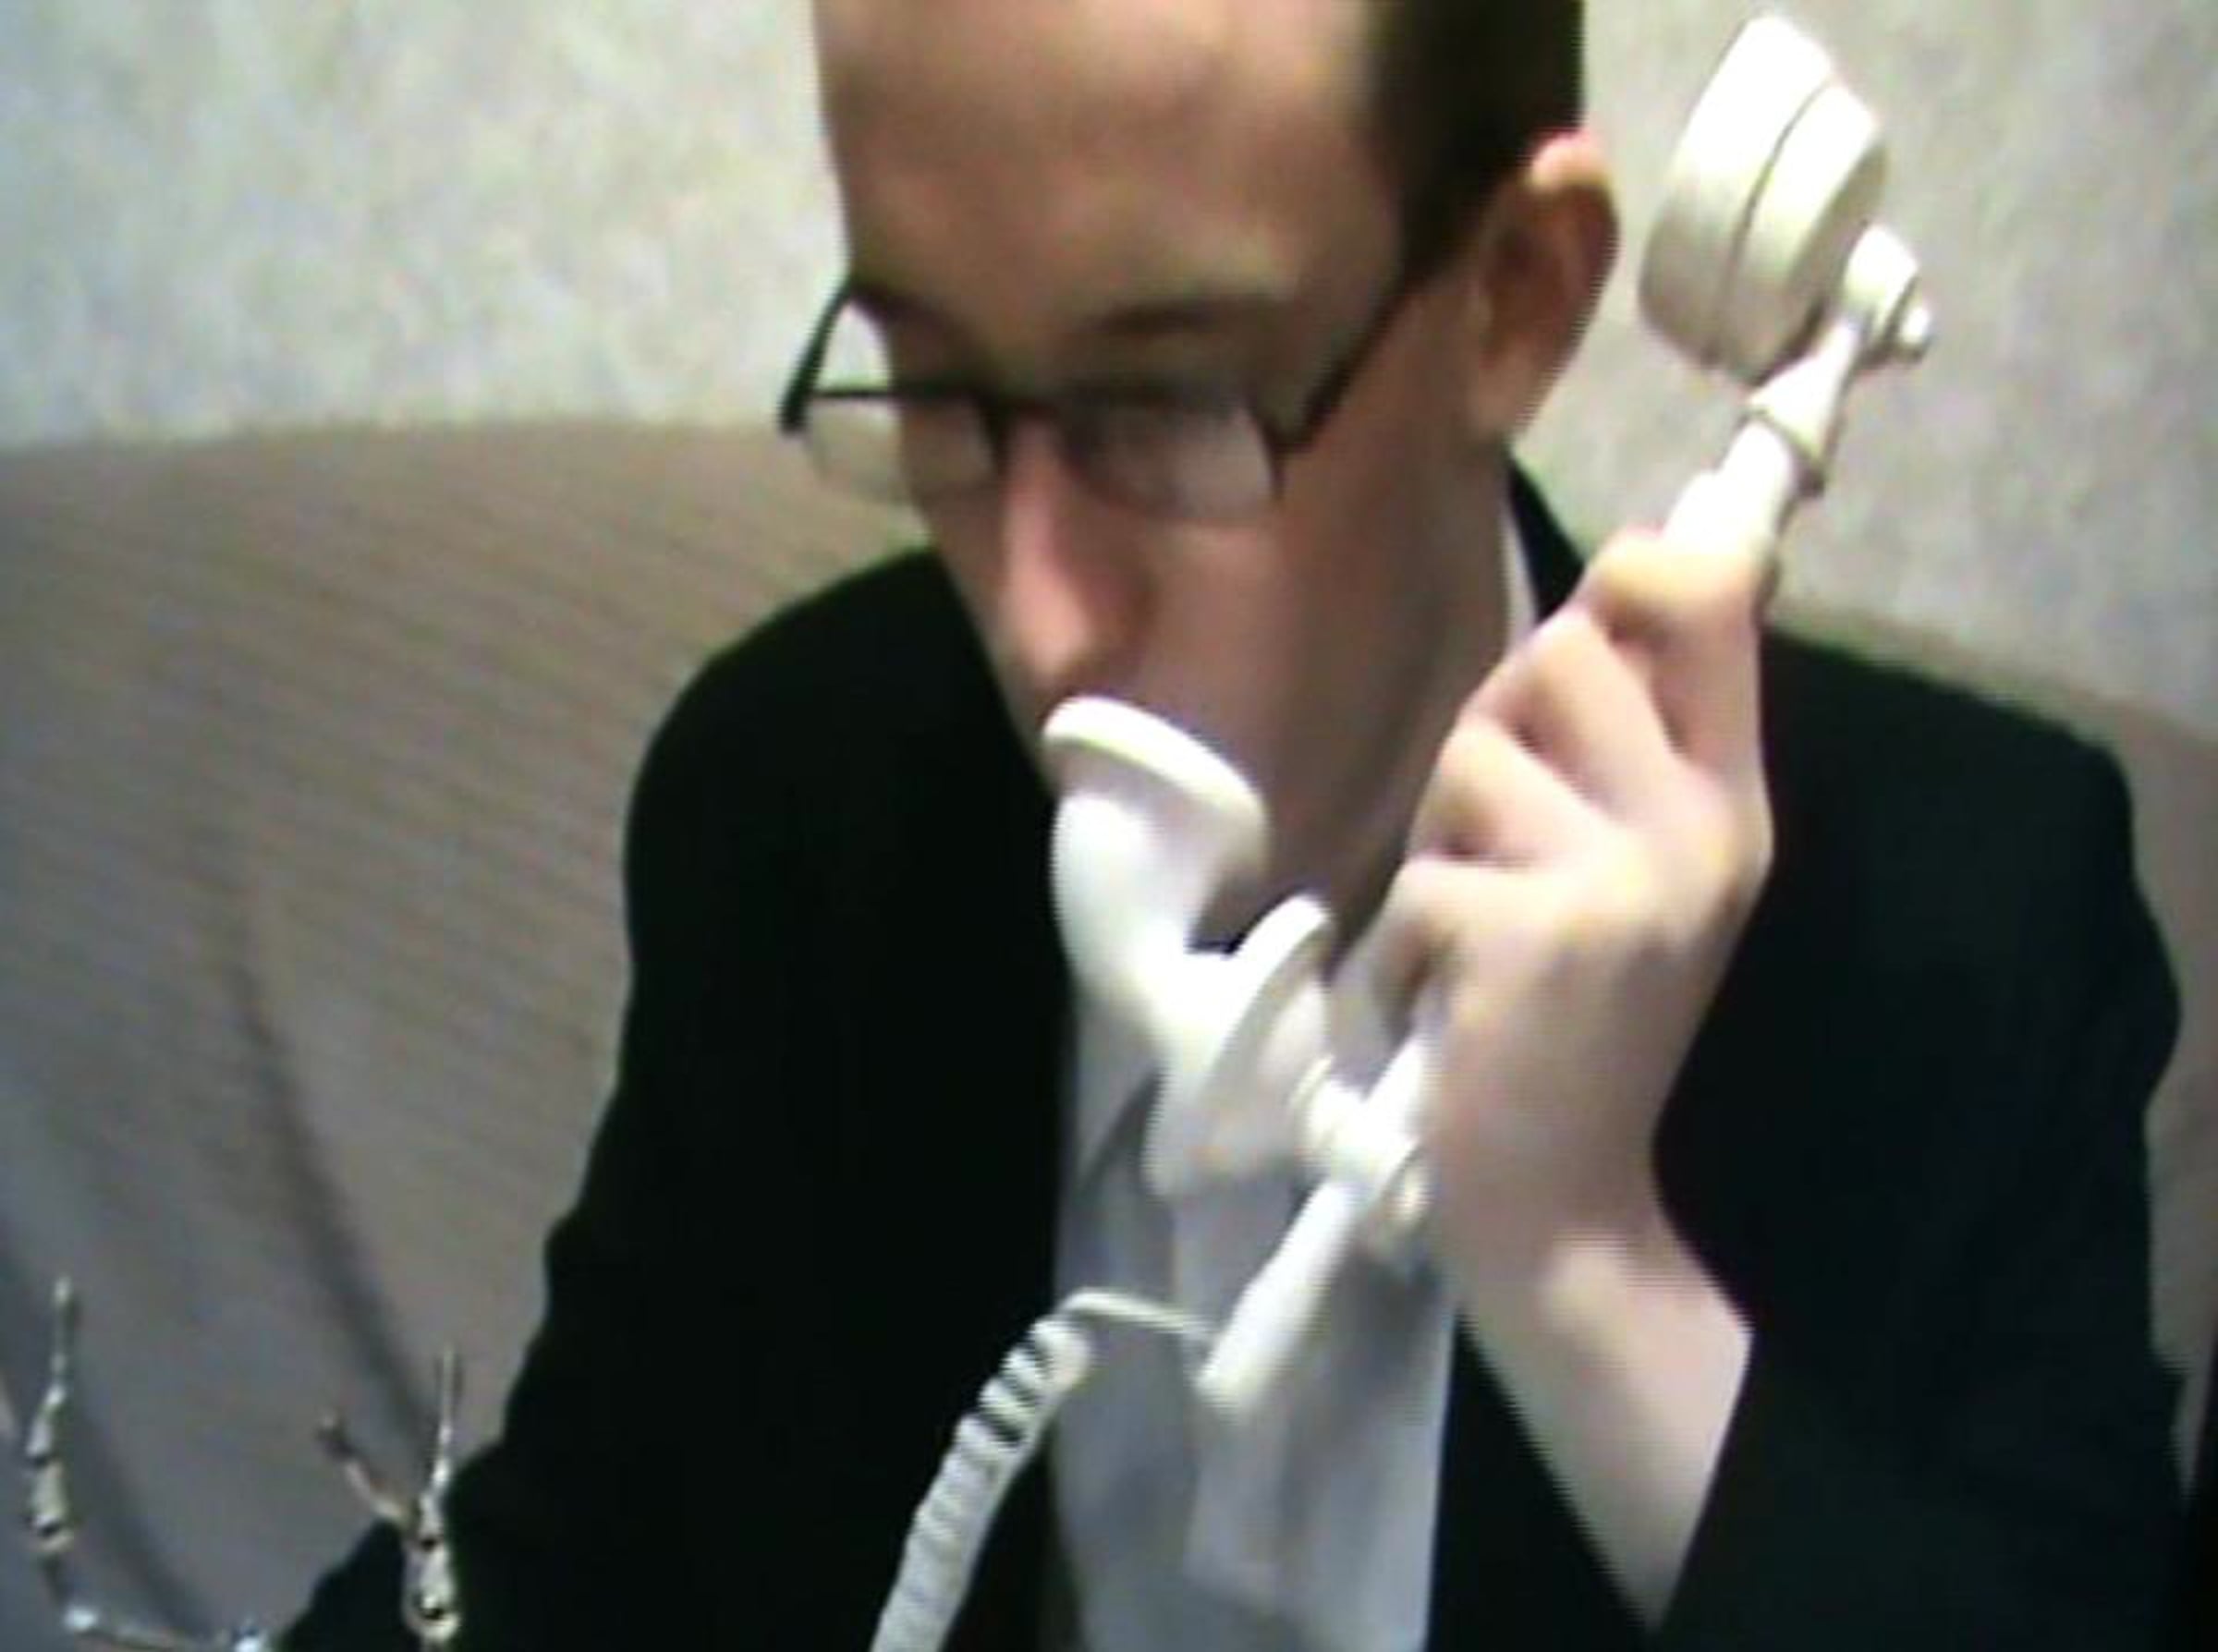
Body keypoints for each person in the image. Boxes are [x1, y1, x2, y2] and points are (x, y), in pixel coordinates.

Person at [289, 1, 2188, 1646]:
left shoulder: (1968, 928)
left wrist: (1586, 1268)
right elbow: (577, 1563)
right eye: (936, 387)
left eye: (1164, 405)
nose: (1039, 622)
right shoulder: (795, 813)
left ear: (1515, 296)